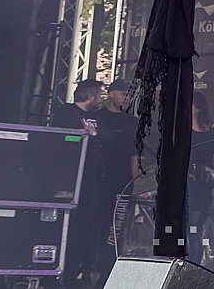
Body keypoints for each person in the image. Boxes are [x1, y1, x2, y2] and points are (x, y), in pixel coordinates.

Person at [52, 79, 105, 287]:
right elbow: (59, 139)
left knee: (85, 228)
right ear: (90, 95)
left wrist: (93, 134)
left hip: (91, 180)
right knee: (66, 227)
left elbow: (106, 140)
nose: (100, 99)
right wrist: (83, 134)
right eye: (98, 95)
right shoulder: (66, 113)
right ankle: (58, 273)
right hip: (69, 179)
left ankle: (76, 273)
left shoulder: (99, 117)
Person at [95, 79, 141, 272]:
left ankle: (108, 268)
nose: (127, 98)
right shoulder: (97, 117)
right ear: (111, 93)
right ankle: (88, 267)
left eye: (129, 95)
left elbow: (135, 154)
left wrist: (133, 181)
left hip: (122, 182)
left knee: (116, 228)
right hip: (97, 181)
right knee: (96, 223)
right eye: (123, 94)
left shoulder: (132, 122)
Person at [187, 91, 214, 264]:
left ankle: (194, 264)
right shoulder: (179, 128)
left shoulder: (212, 130)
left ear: (197, 108)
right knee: (184, 226)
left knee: (196, 226)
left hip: (202, 183)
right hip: (183, 183)